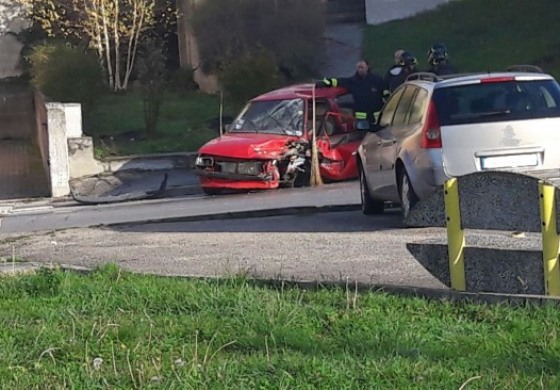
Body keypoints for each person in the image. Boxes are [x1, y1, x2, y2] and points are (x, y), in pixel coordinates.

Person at [316, 59, 387, 125]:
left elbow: (385, 89)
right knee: (362, 136)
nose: (360, 69)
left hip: (377, 118)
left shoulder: (377, 79)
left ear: (367, 67)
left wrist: (386, 97)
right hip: (362, 119)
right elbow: (338, 81)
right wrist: (325, 83)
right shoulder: (352, 81)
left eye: (362, 67)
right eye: (358, 67)